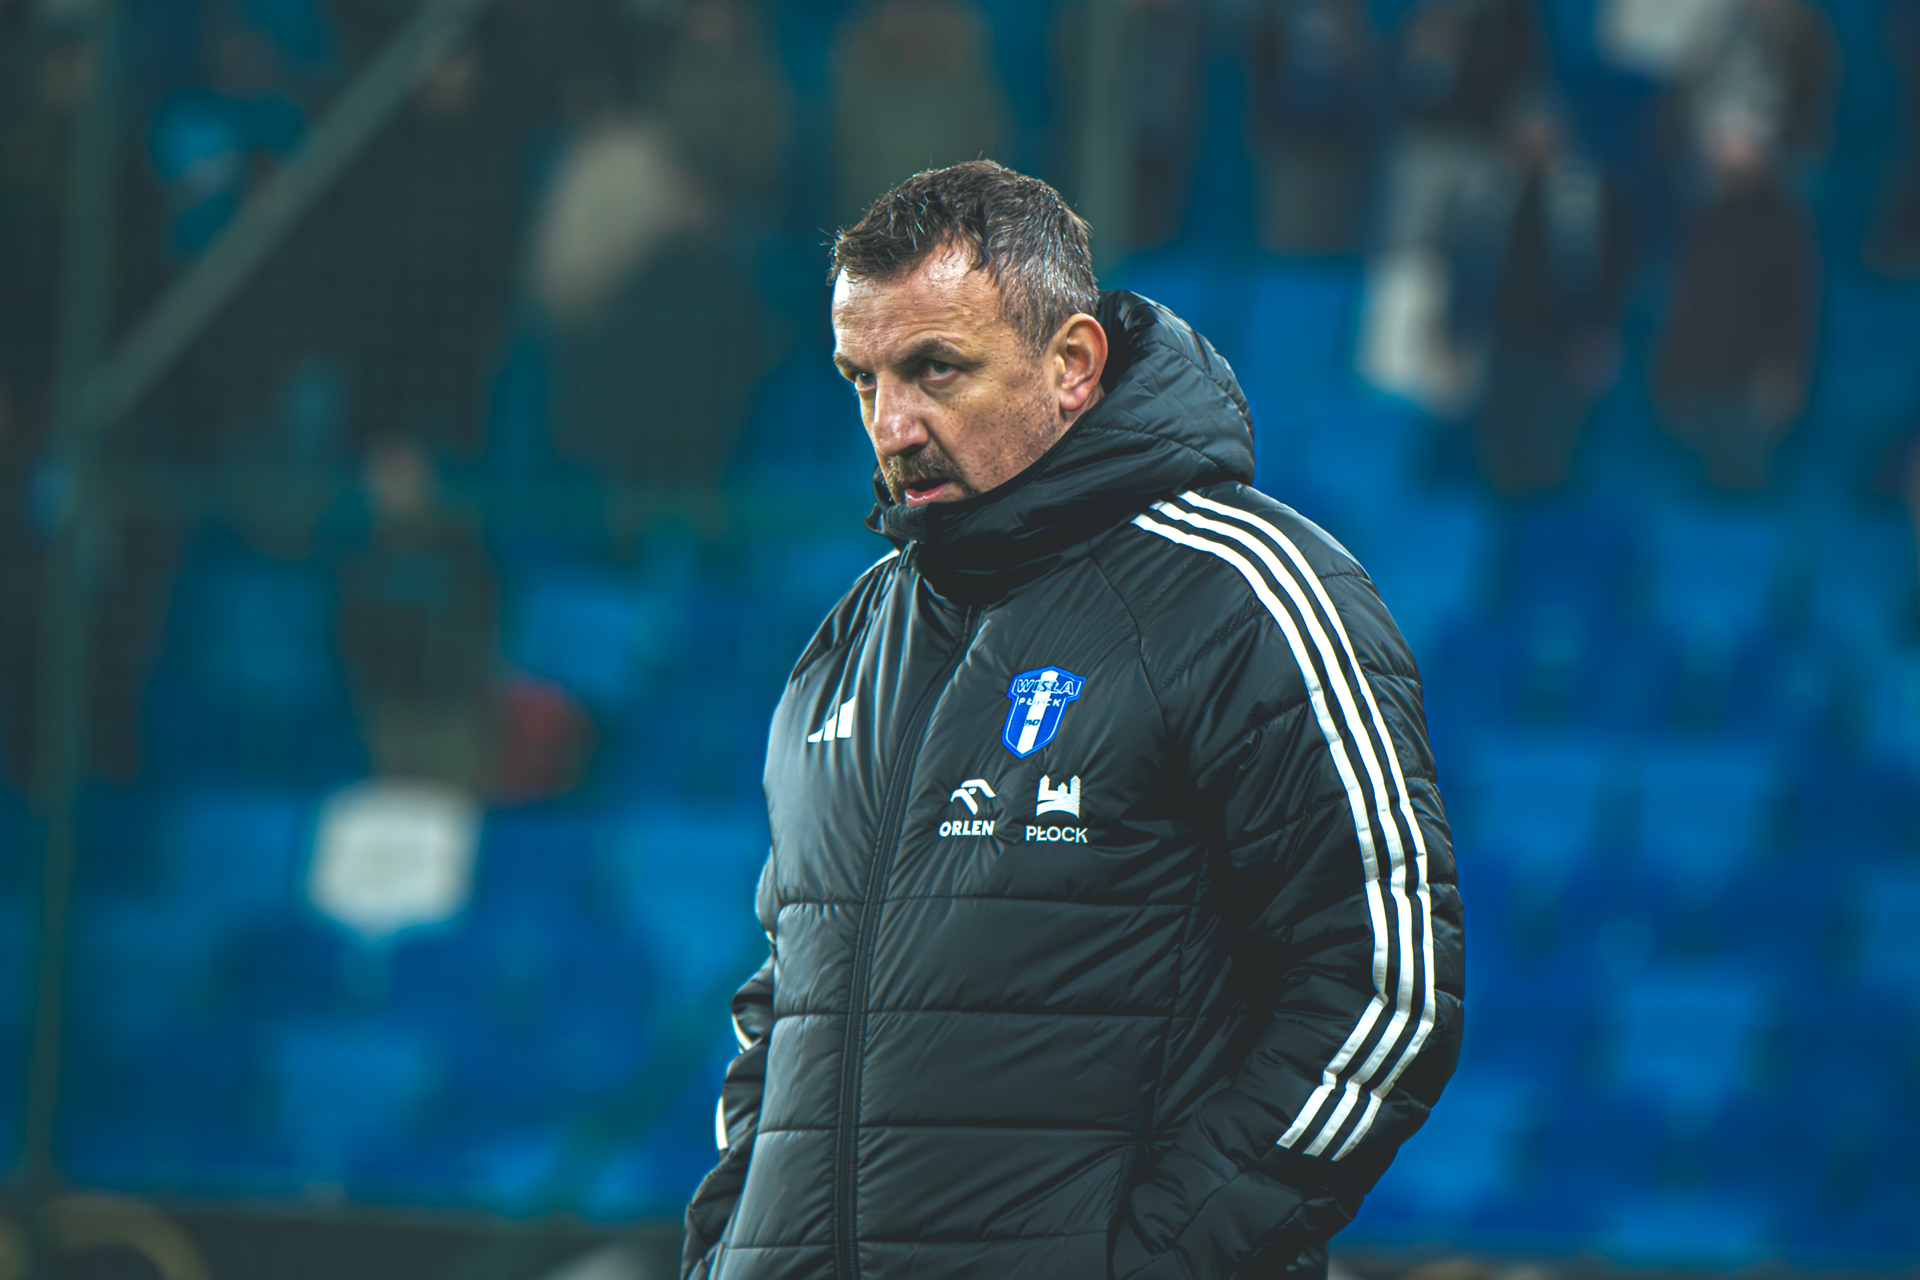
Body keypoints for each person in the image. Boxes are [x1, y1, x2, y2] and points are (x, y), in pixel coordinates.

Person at [680, 162, 1463, 1280]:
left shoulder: (1246, 593)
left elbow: (1387, 989)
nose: (891, 426)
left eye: (936, 369)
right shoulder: (851, 640)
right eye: (864, 380)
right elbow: (782, 1001)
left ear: (1073, 366)